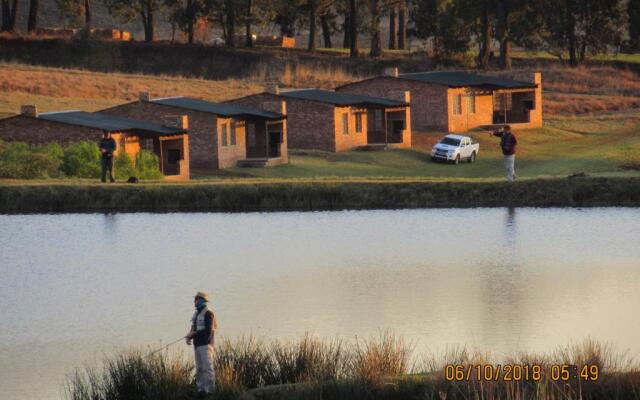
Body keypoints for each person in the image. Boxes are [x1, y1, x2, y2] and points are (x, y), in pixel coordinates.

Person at [186, 291, 217, 397]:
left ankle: (210, 391)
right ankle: (201, 390)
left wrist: (194, 333)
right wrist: (189, 336)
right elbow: (193, 327)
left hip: (206, 344)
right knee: (199, 368)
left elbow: (208, 330)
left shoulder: (208, 313)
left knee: (207, 368)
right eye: (195, 299)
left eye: (196, 299)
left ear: (202, 300)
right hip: (197, 345)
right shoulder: (196, 313)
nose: (194, 301)